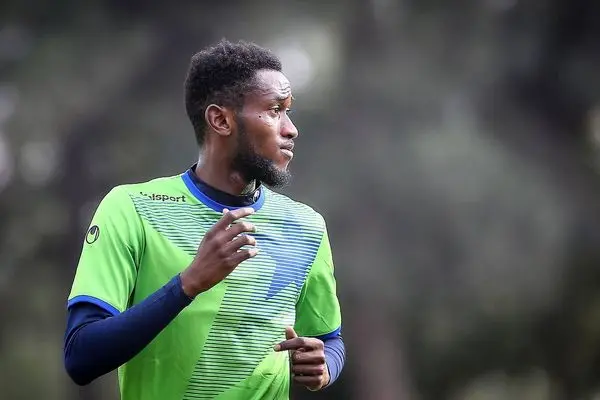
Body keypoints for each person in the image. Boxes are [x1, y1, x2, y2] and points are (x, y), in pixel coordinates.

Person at [63, 39, 346, 400]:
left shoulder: (306, 227)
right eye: (275, 110)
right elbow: (81, 356)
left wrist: (325, 365)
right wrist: (189, 283)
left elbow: (330, 340)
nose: (291, 129)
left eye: (288, 111)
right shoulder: (131, 209)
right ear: (221, 120)